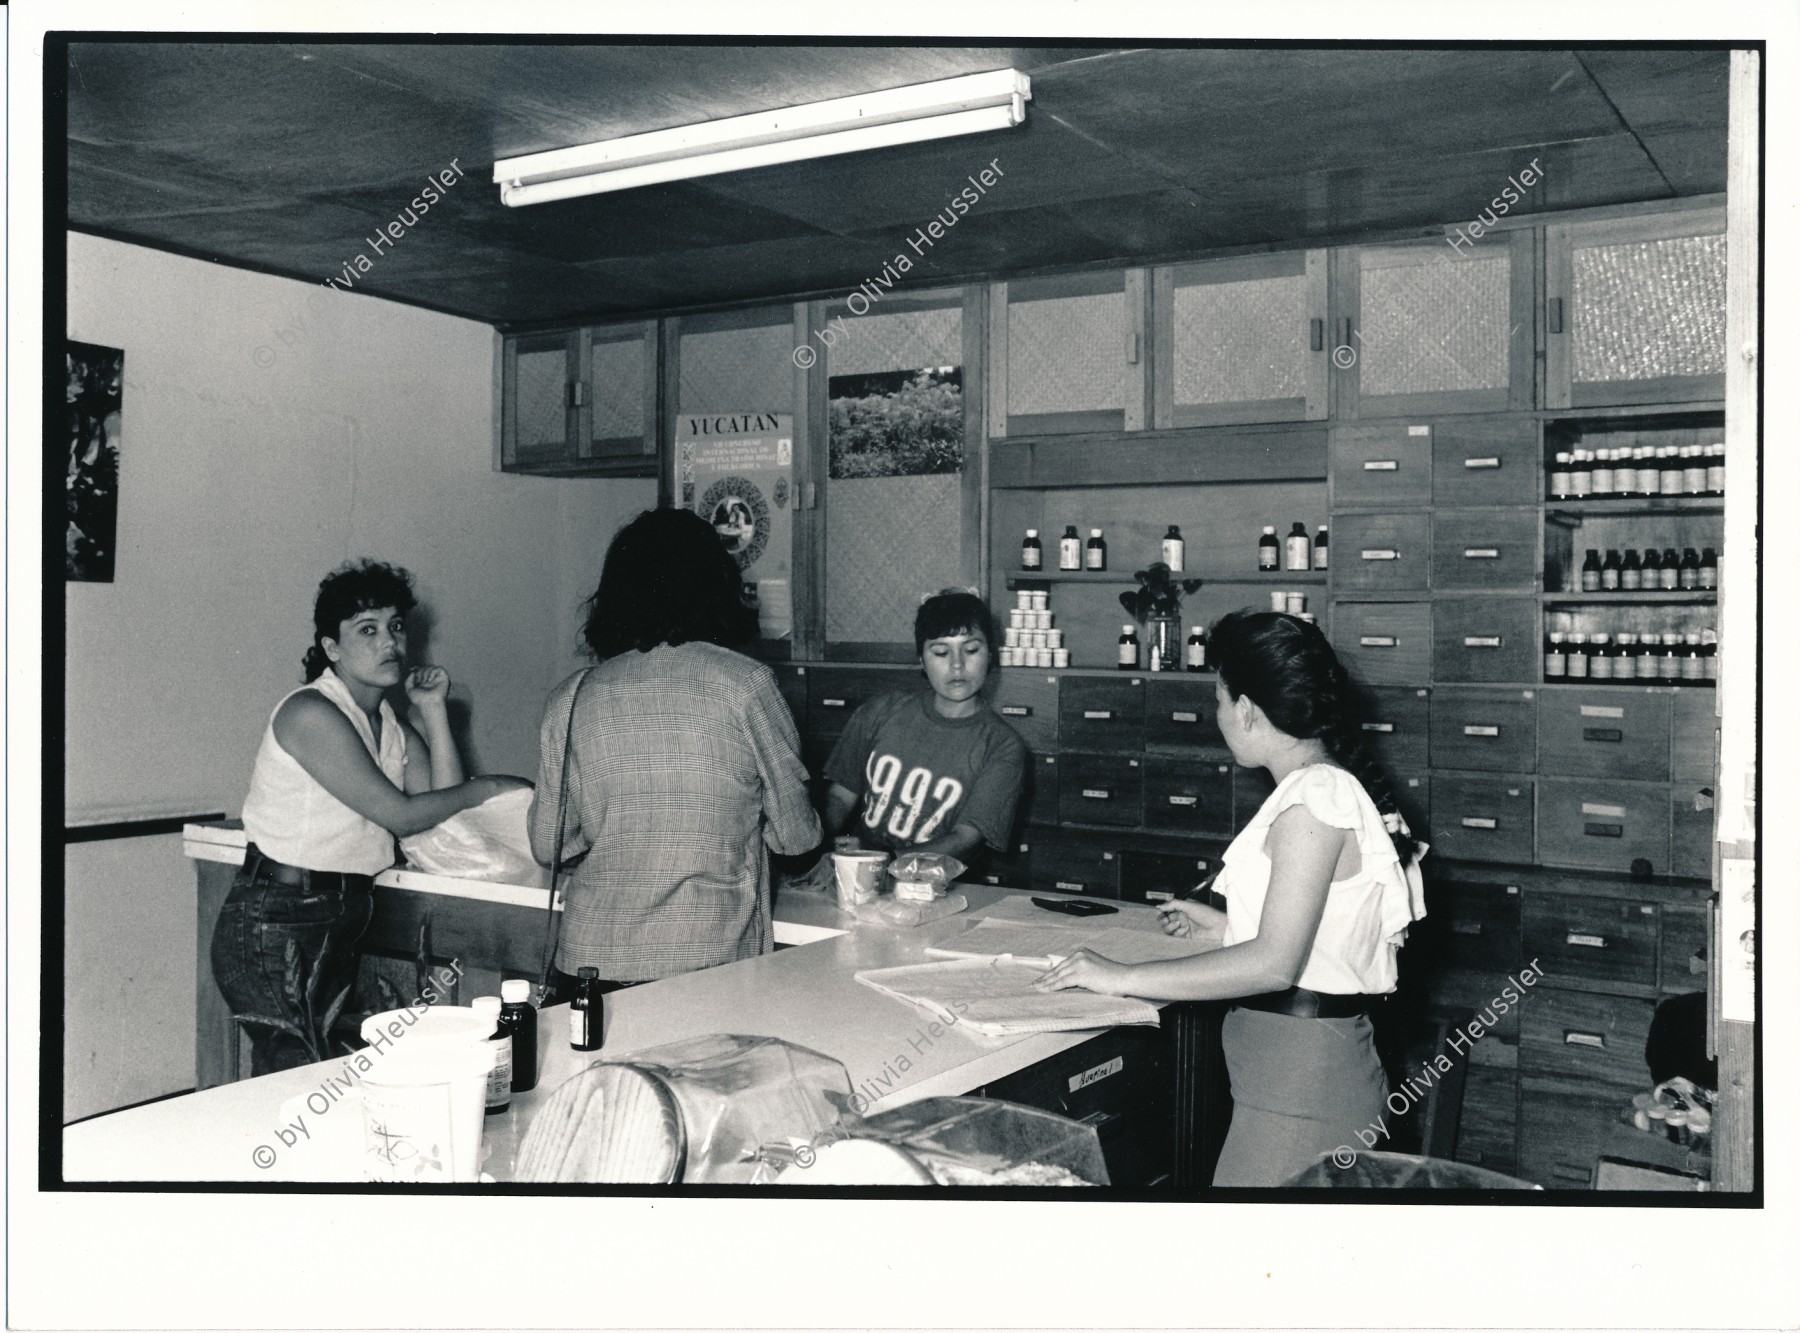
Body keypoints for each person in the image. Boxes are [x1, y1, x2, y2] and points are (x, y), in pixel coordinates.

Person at [1034, 610, 1427, 1187]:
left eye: (1218, 698)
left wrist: (1120, 976)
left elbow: (1274, 964)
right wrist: (1227, 930)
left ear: (1246, 708)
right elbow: (1323, 946)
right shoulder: (1319, 788)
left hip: (1302, 1094)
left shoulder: (1313, 803)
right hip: (1287, 1082)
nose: (1217, 715)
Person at [212, 560, 518, 1074]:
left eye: (396, 626)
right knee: (303, 1081)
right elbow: (401, 814)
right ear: (332, 648)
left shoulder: (388, 723)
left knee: (312, 1081)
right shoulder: (310, 712)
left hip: (337, 918)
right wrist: (484, 788)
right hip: (277, 919)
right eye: (367, 630)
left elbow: (442, 805)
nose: (389, 642)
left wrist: (433, 709)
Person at [529, 508, 818, 1001]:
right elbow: (796, 838)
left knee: (601, 1082)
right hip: (709, 961)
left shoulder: (572, 696)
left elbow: (549, 844)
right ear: (717, 583)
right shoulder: (746, 685)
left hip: (590, 964)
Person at [821, 590, 1026, 868]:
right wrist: (820, 843)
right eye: (941, 652)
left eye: (971, 649)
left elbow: (966, 839)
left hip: (941, 889)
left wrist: (883, 860)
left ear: (991, 654)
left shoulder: (1002, 745)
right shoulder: (880, 711)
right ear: (921, 659)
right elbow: (840, 796)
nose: (957, 664)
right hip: (860, 875)